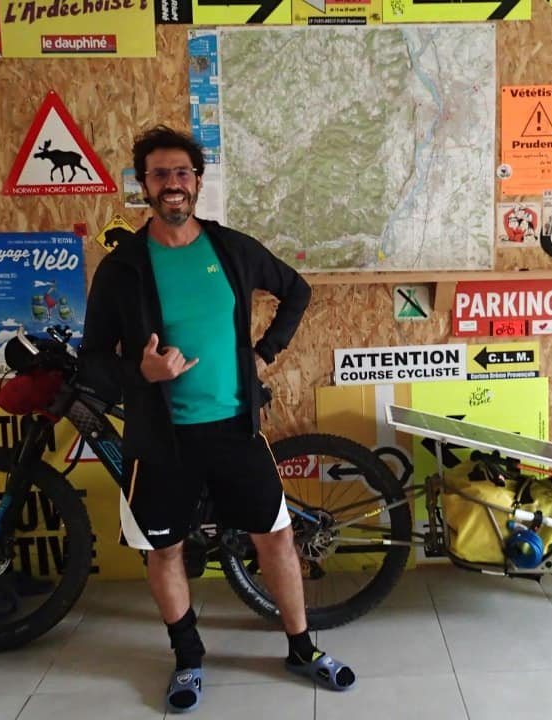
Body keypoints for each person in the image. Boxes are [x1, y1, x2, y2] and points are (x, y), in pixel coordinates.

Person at [80, 125, 356, 713]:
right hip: (161, 440)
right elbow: (93, 360)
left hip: (235, 428)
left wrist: (264, 352)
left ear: (198, 182)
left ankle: (301, 648)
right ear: (144, 185)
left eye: (182, 172)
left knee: (276, 538)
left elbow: (296, 291)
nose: (172, 183)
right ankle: (188, 657)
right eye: (160, 174)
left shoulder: (231, 249)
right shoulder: (122, 267)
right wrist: (140, 373)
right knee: (165, 550)